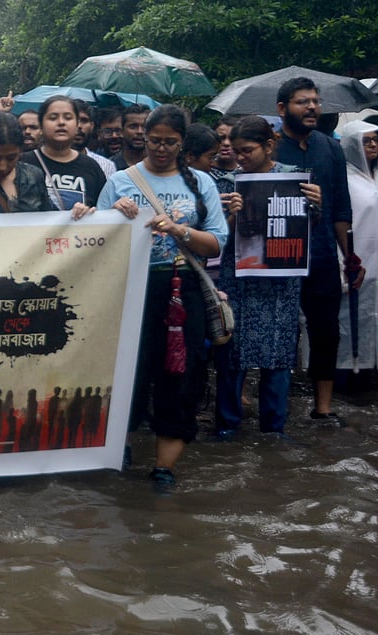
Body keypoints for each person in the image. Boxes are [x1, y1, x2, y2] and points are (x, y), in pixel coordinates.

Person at [78, 104, 229, 485]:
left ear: (183, 145)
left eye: (171, 143)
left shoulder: (201, 182)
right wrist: (110, 212)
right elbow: (94, 239)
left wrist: (180, 231)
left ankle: (164, 467)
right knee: (126, 371)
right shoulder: (120, 180)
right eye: (154, 141)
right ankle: (117, 449)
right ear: (143, 137)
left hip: (182, 291)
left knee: (180, 375)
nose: (161, 149)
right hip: (129, 290)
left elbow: (215, 244)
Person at [214, 116, 310, 439]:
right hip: (238, 278)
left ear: (269, 146)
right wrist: (231, 216)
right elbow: (214, 239)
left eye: (247, 151)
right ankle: (227, 426)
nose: (240, 157)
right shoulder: (226, 183)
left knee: (279, 354)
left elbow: (310, 227)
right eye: (236, 151)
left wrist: (317, 205)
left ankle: (274, 430)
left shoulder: (294, 180)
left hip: (280, 284)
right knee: (232, 352)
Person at [274, 76, 355, 422]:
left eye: (316, 102)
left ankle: (323, 408)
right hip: (278, 255)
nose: (312, 108)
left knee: (327, 329)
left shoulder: (330, 147)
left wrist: (349, 256)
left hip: (321, 254)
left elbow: (341, 208)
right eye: (302, 102)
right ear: (282, 109)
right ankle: (274, 406)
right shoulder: (270, 148)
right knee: (280, 328)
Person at [335, 121, 378, 384]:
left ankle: (365, 370)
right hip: (353, 260)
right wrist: (342, 260)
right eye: (366, 141)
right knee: (346, 317)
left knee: (371, 317)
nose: (373, 144)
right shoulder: (344, 180)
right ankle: (342, 373)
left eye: (376, 140)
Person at [21, 95, 106, 211]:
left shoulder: (91, 167)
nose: (61, 122)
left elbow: (104, 210)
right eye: (53, 117)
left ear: (77, 125)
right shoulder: (23, 163)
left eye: (68, 117)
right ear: (41, 125)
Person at [74, 100, 115, 178]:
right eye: (74, 120)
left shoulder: (106, 166)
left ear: (92, 126)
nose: (79, 126)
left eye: (84, 121)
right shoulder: (46, 162)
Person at [112, 103, 151, 170]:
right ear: (121, 131)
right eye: (133, 127)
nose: (140, 131)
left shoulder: (162, 166)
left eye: (145, 127)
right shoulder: (110, 165)